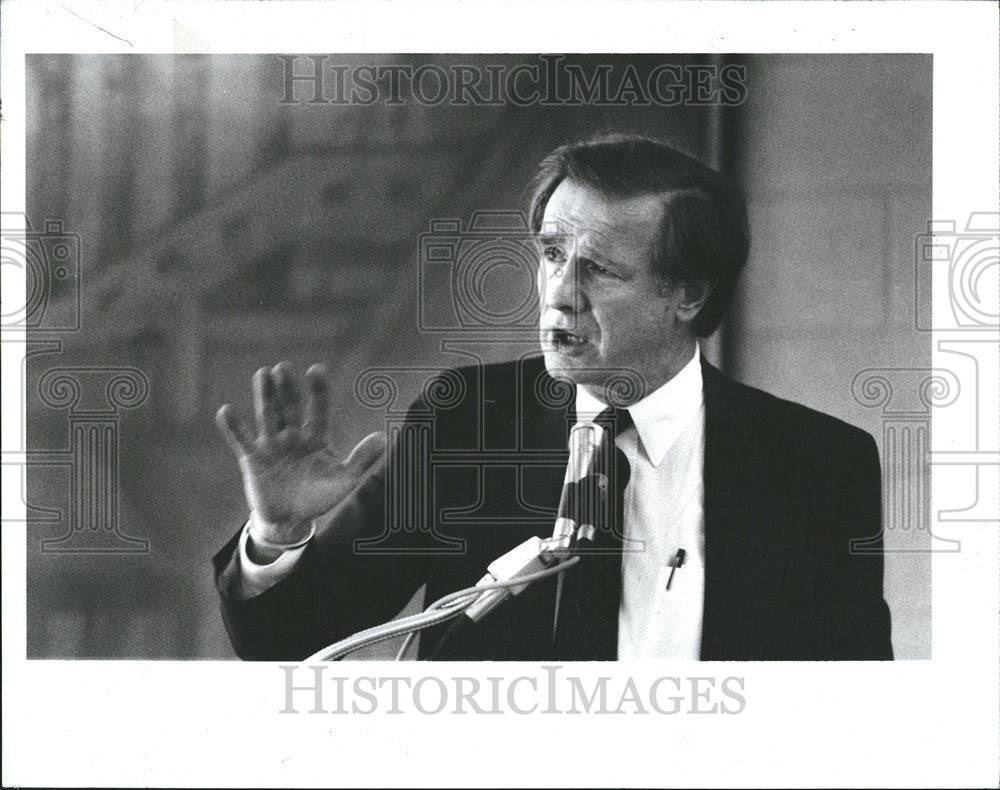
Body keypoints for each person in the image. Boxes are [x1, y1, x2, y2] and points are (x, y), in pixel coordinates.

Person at [212, 133, 893, 661]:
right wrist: (277, 533)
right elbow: (289, 638)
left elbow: (856, 705)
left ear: (688, 293)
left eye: (598, 268)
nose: (560, 293)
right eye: (551, 254)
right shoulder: (467, 422)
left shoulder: (821, 463)